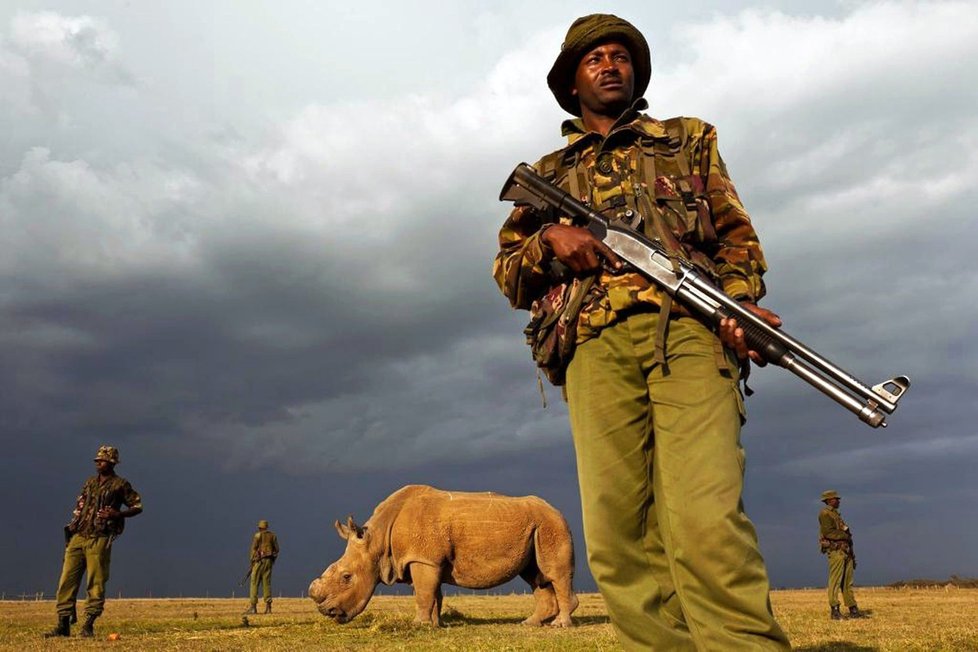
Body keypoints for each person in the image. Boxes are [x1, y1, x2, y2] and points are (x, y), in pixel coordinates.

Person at [493, 14, 789, 650]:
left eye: (619, 56)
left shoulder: (687, 139)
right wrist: (549, 239)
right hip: (591, 344)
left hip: (689, 332)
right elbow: (509, 274)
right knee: (617, 534)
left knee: (707, 520)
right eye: (593, 57)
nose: (609, 64)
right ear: (572, 83)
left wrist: (738, 306)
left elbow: (738, 242)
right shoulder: (547, 172)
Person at [44, 445, 143, 638]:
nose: (99, 463)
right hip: (78, 536)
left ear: (112, 462)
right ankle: (63, 624)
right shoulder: (89, 482)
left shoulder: (120, 484)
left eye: (103, 460)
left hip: (100, 538)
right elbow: (80, 505)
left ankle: (88, 625)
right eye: (97, 460)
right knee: (66, 581)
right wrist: (73, 524)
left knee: (96, 582)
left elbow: (137, 506)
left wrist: (118, 514)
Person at [818, 490, 864, 619]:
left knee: (847, 582)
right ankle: (835, 610)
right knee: (835, 581)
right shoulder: (825, 514)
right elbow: (828, 533)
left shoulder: (836, 515)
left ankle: (853, 609)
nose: (838, 501)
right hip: (836, 550)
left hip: (846, 550)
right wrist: (845, 535)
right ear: (828, 500)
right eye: (835, 499)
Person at [244, 519, 279, 614]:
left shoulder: (257, 536)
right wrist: (272, 560)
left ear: (259, 527)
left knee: (254, 583)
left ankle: (253, 607)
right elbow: (277, 550)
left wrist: (252, 561)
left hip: (259, 562)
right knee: (266, 583)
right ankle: (268, 607)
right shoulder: (273, 536)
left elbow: (253, 549)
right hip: (269, 562)